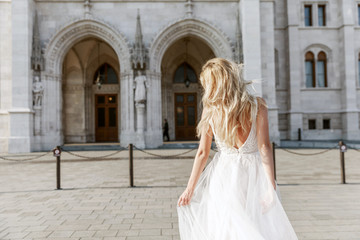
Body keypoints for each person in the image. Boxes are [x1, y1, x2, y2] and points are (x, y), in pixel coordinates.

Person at [177, 58, 298, 239]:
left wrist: (190, 188)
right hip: (254, 175)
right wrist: (270, 187)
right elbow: (264, 147)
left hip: (224, 176)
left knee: (226, 228)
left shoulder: (210, 110)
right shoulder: (258, 105)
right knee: (256, 225)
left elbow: (203, 153)